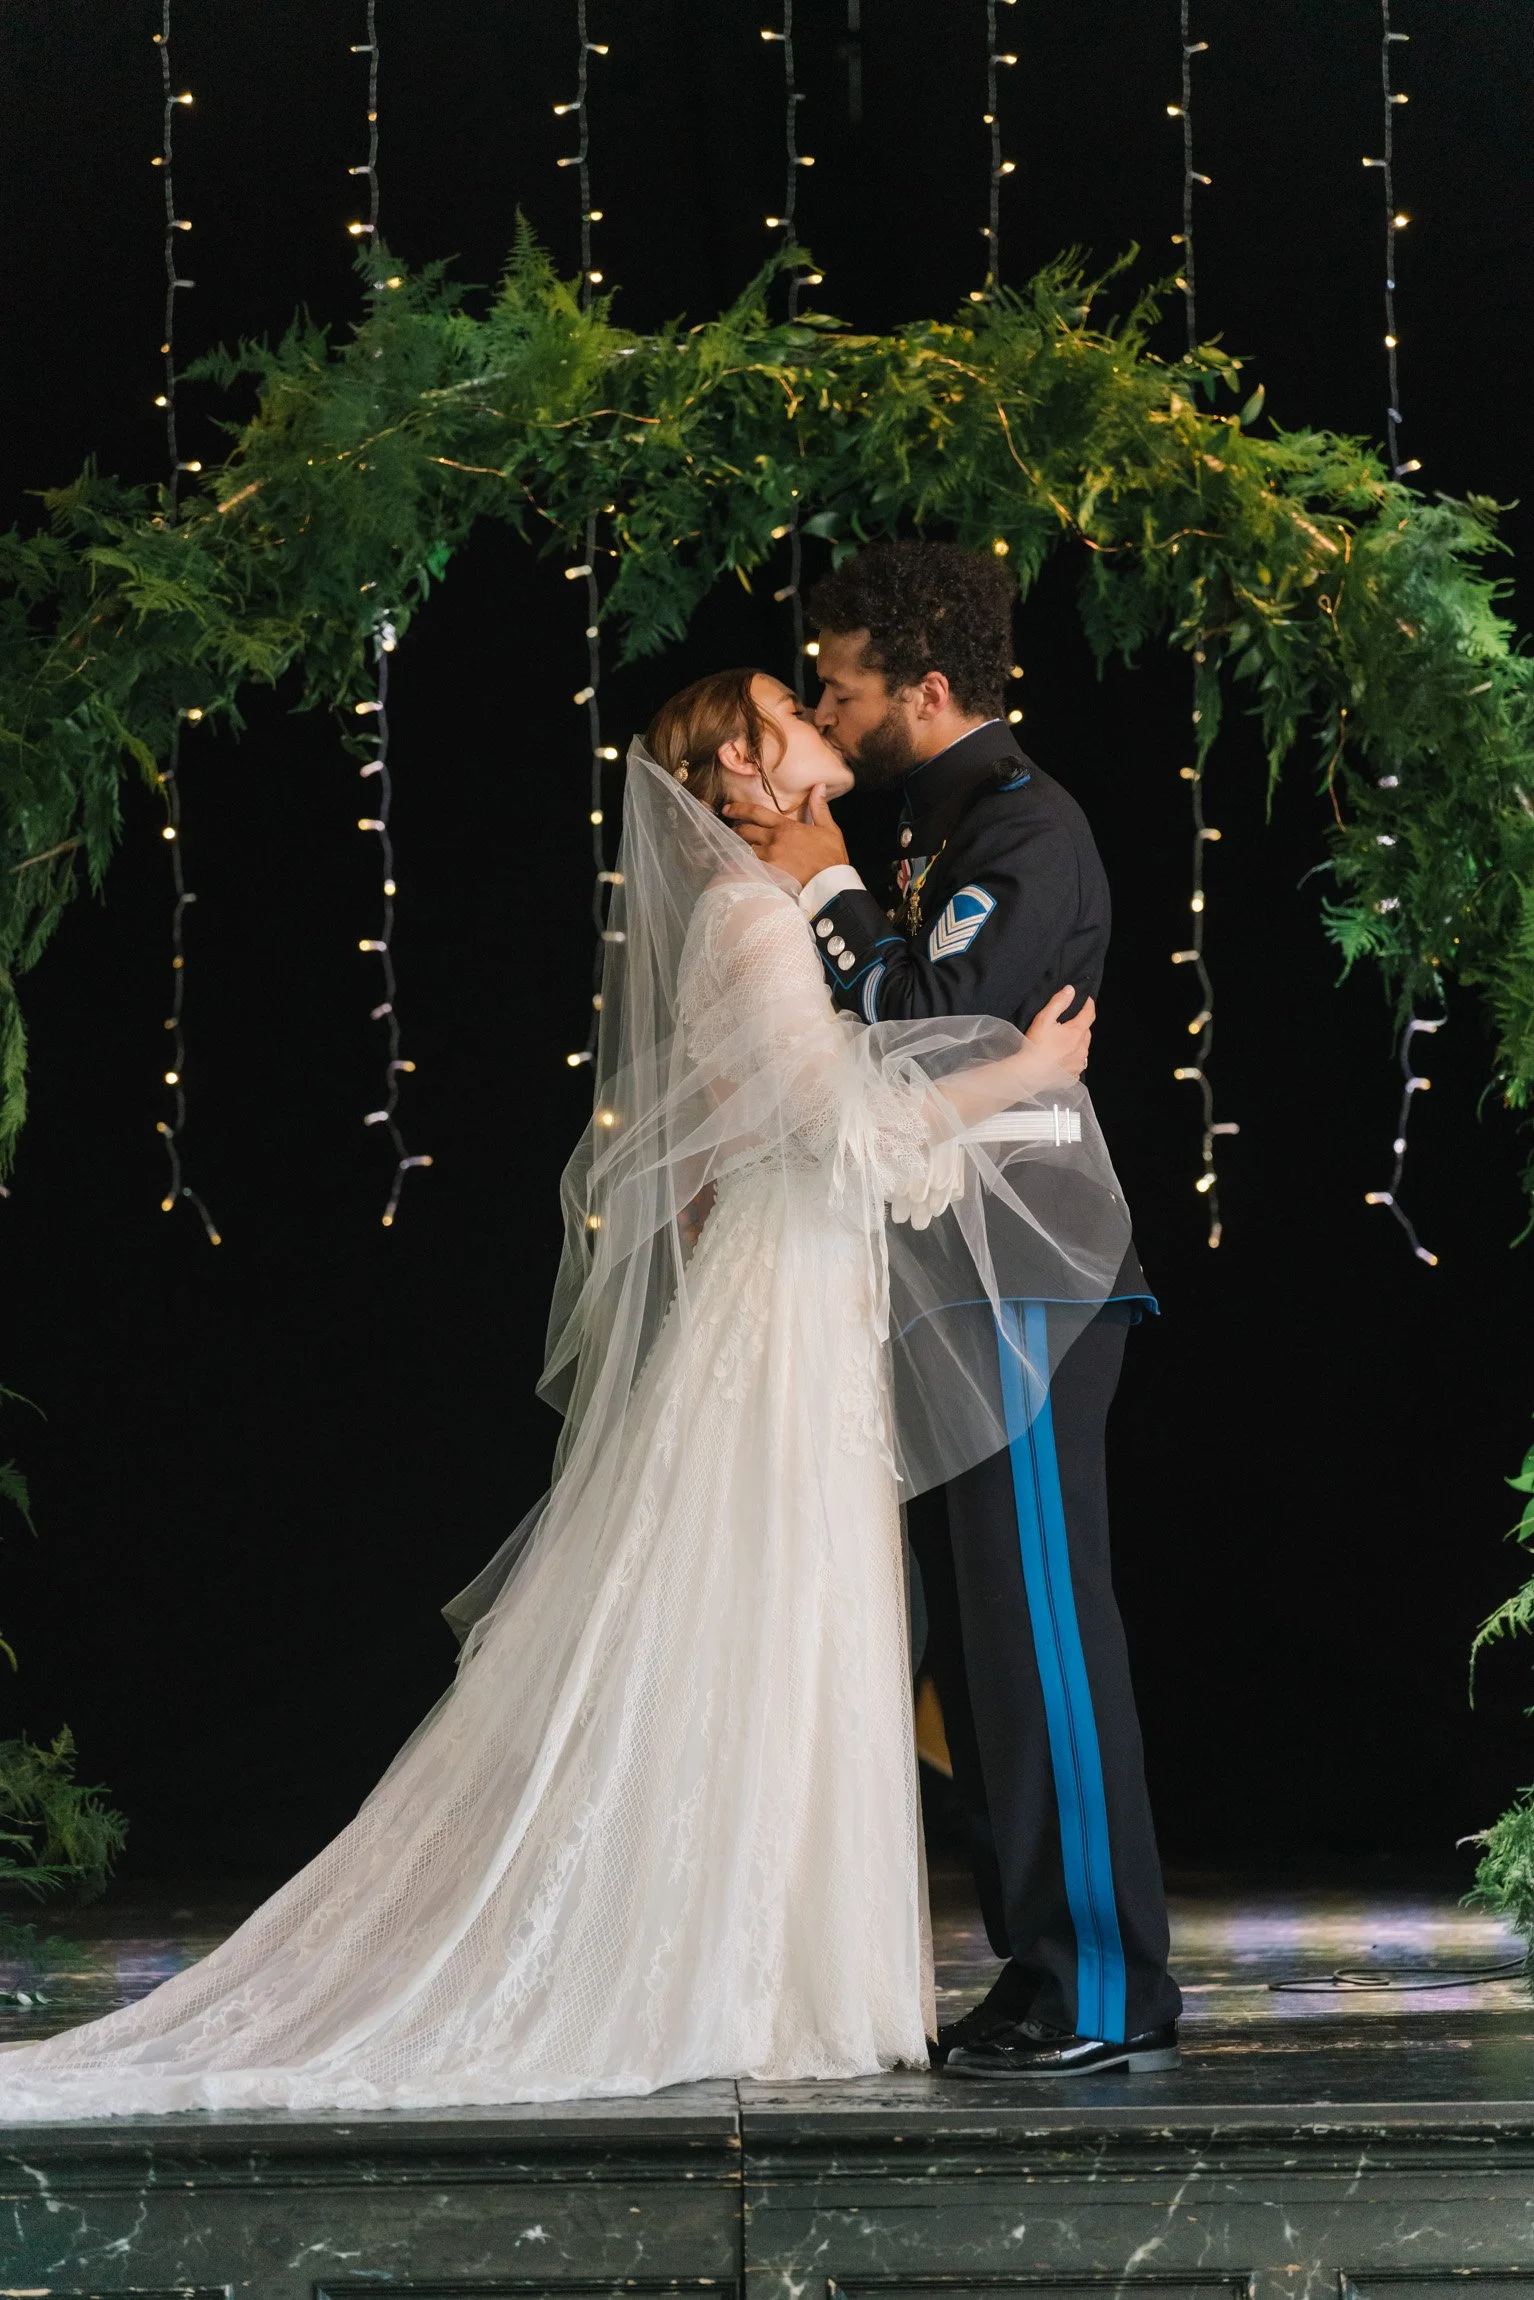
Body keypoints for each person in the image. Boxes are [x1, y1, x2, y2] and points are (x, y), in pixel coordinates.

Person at [0, 667, 1130, 2120]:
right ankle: (729, 1968)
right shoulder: (749, 919)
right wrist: (1021, 1072)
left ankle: (788, 1966)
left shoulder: (768, 909)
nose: (818, 718)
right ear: (745, 765)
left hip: (804, 1294)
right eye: (794, 710)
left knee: (800, 1611)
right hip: (783, 1311)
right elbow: (838, 1130)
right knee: (761, 1605)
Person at [724, 540, 1183, 2079]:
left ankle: (1101, 1985)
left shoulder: (1022, 825)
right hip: (949, 1265)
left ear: (925, 689)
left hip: (1026, 1271)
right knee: (981, 1644)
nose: (826, 716)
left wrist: (824, 887)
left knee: (1036, 1624)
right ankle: (1037, 1966)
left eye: (842, 689)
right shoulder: (936, 818)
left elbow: (930, 1018)